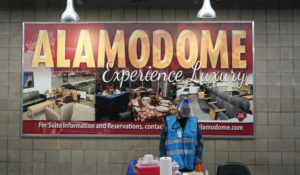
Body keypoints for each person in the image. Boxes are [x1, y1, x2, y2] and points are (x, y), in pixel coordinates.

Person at [159, 99, 203, 174]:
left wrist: (198, 162)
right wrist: (163, 162)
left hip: (190, 167)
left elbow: (199, 143)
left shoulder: (193, 122)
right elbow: (162, 144)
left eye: (188, 106)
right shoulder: (169, 122)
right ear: (178, 107)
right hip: (172, 167)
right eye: (184, 106)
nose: (187, 108)